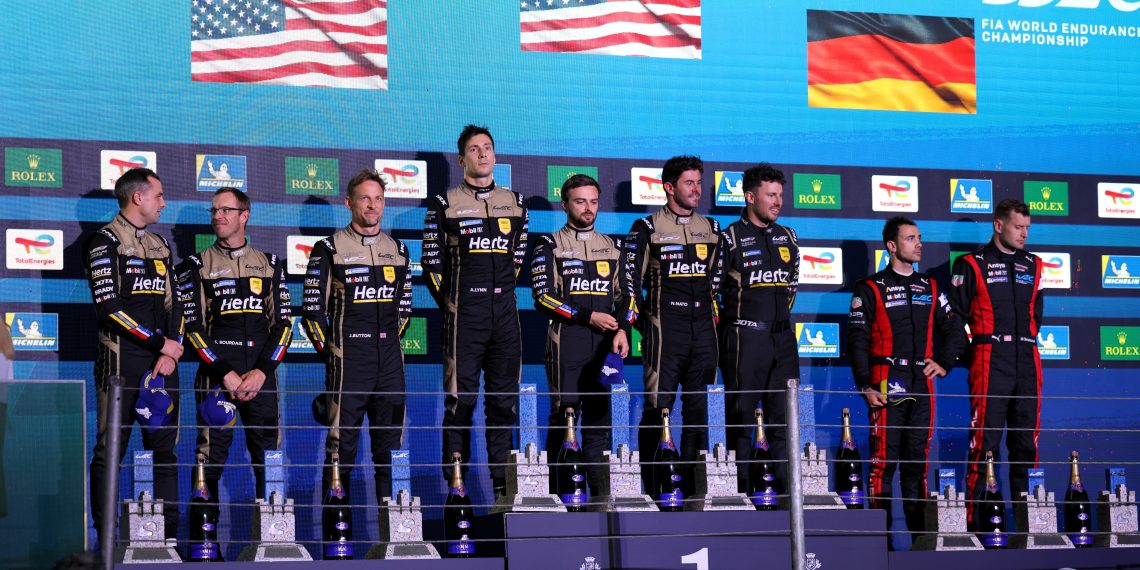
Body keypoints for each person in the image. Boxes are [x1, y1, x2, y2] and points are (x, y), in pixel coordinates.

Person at [422, 125, 528, 495]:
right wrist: (454, 305)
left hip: (505, 316)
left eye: (487, 148)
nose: (482, 154)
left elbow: (516, 260)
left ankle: (503, 488)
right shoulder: (444, 204)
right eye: (474, 149)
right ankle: (458, 487)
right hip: (464, 316)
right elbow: (431, 266)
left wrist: (497, 297)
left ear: (495, 155)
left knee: (503, 404)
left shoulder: (516, 203)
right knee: (460, 402)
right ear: (461, 159)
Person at [848, 216, 966, 546]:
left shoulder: (930, 286)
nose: (919, 244)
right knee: (883, 465)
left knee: (916, 467)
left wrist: (945, 362)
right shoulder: (870, 288)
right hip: (886, 380)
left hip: (921, 383)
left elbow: (955, 329)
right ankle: (879, 545)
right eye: (911, 238)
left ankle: (920, 544)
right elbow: (857, 339)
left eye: (919, 238)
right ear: (891, 245)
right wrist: (865, 385)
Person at [84, 167, 184, 544]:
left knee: (165, 451)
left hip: (162, 364)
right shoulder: (103, 242)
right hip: (119, 363)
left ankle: (167, 538)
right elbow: (109, 309)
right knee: (111, 450)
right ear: (137, 197)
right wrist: (160, 344)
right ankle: (105, 540)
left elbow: (176, 305)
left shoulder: (160, 244)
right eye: (159, 195)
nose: (164, 203)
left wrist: (171, 351)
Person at [302, 170, 414, 505]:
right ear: (349, 202)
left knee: (391, 450)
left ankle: (395, 528)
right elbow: (311, 313)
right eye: (365, 198)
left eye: (378, 199)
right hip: (349, 361)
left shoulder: (399, 250)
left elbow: (404, 310)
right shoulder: (328, 248)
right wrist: (333, 355)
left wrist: (387, 344)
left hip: (390, 363)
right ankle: (338, 533)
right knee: (341, 449)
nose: (372, 205)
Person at [176, 187, 292, 501]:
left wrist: (262, 371)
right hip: (216, 376)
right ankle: (205, 530)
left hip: (260, 377)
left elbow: (284, 326)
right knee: (209, 456)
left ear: (244, 216)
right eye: (214, 210)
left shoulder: (269, 264)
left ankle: (273, 528)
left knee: (268, 457)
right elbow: (193, 328)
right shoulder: (196, 266)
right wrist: (224, 372)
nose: (218, 216)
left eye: (226, 210)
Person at [621, 155, 723, 495]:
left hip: (703, 331)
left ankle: (695, 491)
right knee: (658, 407)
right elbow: (629, 284)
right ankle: (656, 491)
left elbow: (716, 281)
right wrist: (640, 323)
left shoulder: (712, 229)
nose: (697, 190)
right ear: (669, 187)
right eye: (689, 183)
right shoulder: (647, 228)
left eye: (699, 182)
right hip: (665, 329)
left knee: (700, 410)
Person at [531, 174, 630, 497]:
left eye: (593, 201)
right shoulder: (549, 244)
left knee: (600, 423)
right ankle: (559, 498)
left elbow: (628, 297)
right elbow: (543, 296)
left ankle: (600, 499)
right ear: (565, 204)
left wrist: (623, 329)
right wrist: (588, 316)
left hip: (605, 346)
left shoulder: (614, 247)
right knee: (565, 417)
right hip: (567, 342)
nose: (588, 208)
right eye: (580, 201)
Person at [950, 199, 1045, 528]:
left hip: (1027, 359)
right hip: (990, 358)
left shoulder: (1034, 264)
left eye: (1027, 228)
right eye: (1018, 227)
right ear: (998, 225)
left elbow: (1037, 315)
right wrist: (973, 353)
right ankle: (978, 526)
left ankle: (1030, 527)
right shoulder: (970, 263)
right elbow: (955, 318)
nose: (1024, 234)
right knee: (985, 444)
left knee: (1026, 445)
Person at [716, 163, 799, 495]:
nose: (778, 202)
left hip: (782, 338)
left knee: (784, 421)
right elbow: (712, 292)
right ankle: (741, 495)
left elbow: (791, 288)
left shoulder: (788, 236)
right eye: (770, 195)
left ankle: (787, 497)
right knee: (741, 419)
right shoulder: (729, 238)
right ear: (750, 197)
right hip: (744, 337)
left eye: (780, 195)